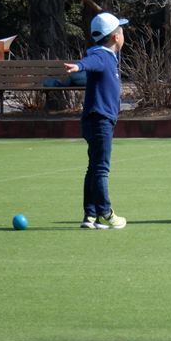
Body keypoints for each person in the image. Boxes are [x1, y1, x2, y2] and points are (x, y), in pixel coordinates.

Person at [64, 12, 129, 229]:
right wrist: (78, 66)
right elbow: (91, 61)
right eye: (121, 31)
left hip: (95, 119)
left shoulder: (108, 56)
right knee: (101, 168)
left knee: (93, 168)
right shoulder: (102, 55)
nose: (123, 34)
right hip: (100, 120)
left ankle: (89, 215)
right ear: (115, 38)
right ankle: (105, 213)